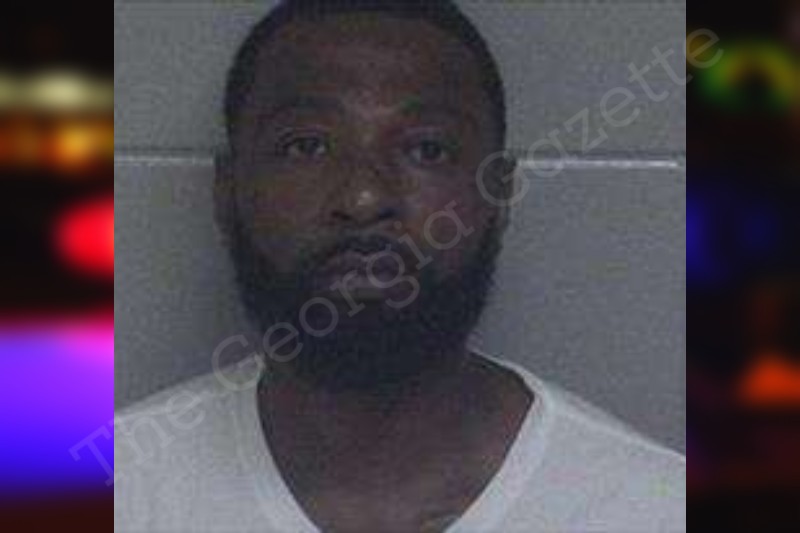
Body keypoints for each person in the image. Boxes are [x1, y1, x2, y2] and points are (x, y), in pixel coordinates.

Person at [114, 1, 685, 531]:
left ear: (499, 195)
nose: (364, 198)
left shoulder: (651, 508)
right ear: (226, 190)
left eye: (427, 149)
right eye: (306, 146)